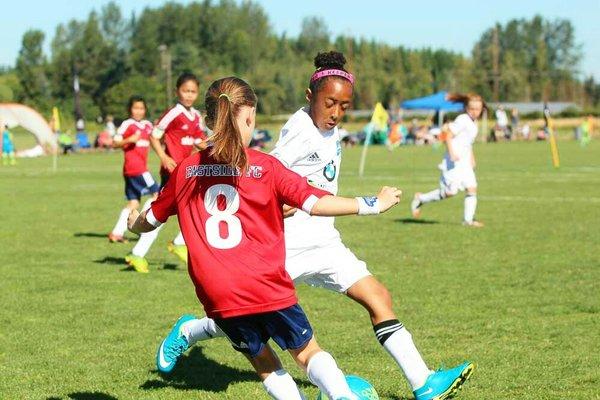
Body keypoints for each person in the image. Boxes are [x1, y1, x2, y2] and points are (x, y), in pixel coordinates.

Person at [157, 52, 474, 400]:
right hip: (286, 246)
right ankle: (190, 331)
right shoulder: (300, 131)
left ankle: (423, 382)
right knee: (245, 314)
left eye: (344, 105)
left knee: (378, 296)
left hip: (325, 242)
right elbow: (264, 175)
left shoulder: (328, 129)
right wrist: (284, 205)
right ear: (310, 98)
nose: (336, 112)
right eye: (329, 103)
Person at [129, 76, 403, 399]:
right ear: (249, 119)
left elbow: (149, 219)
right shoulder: (265, 167)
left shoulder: (186, 171)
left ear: (209, 119)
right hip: (266, 283)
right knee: (306, 352)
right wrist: (373, 204)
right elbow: (316, 202)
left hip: (219, 293)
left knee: (265, 362)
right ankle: (342, 396)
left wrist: (134, 223)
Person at [125, 72, 207, 271]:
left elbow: (199, 142)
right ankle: (138, 253)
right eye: (185, 90)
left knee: (200, 208)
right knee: (159, 213)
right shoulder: (174, 113)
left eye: (193, 91)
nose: (189, 95)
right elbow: (154, 135)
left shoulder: (196, 116)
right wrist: (163, 157)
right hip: (172, 172)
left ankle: (179, 243)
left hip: (189, 172)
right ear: (177, 91)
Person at [411, 93, 485, 228]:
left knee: (472, 188)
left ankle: (468, 220)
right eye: (472, 108)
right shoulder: (463, 119)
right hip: (453, 162)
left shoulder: (474, 124)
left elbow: (468, 143)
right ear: (467, 108)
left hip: (465, 162)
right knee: (450, 192)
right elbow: (448, 135)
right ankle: (420, 198)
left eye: (478, 109)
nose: (475, 111)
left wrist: (472, 158)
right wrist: (452, 153)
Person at [107, 96, 160, 273]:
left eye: (141, 108)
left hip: (134, 170)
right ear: (130, 110)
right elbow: (114, 143)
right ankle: (144, 227)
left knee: (133, 203)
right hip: (136, 169)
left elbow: (157, 137)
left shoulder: (147, 125)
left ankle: (117, 233)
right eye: (135, 108)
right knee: (157, 194)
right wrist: (129, 140)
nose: (138, 111)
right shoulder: (127, 124)